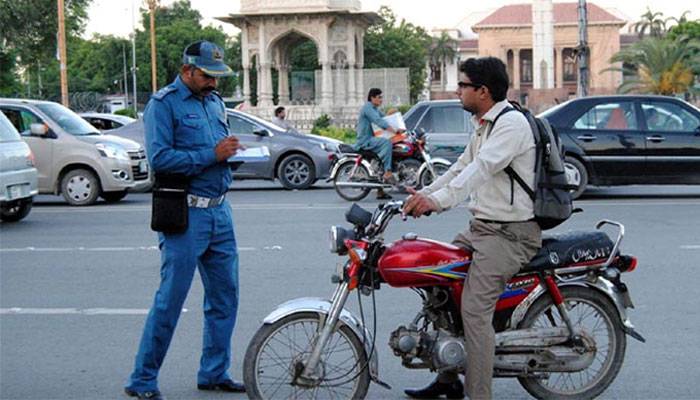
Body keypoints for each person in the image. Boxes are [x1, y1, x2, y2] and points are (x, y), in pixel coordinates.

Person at [402, 57, 542, 400]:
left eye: (463, 85)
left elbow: (480, 169)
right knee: (439, 288)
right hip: (482, 229)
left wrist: (440, 202)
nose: (457, 90)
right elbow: (459, 168)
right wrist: (426, 194)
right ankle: (449, 379)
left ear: (482, 91)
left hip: (511, 234)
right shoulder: (485, 124)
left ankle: (479, 395)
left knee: (475, 311)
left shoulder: (511, 125)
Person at [124, 40, 245, 400]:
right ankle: (142, 380)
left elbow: (217, 148)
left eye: (217, 77)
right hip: (185, 215)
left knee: (225, 298)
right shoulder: (163, 105)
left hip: (220, 212)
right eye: (207, 76)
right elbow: (160, 160)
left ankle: (213, 372)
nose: (214, 83)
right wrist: (212, 154)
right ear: (187, 70)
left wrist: (228, 154)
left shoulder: (214, 101)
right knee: (170, 300)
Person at [356, 88, 397, 199]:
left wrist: (396, 120)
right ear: (372, 98)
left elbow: (384, 118)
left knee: (382, 160)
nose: (381, 100)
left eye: (381, 97)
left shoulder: (374, 109)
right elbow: (378, 121)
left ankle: (380, 191)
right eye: (379, 97)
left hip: (371, 139)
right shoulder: (368, 108)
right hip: (365, 140)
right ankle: (388, 172)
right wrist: (392, 130)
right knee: (387, 142)